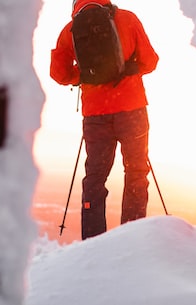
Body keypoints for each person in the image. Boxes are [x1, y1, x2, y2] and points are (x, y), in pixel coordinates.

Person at [50, 0, 159, 239]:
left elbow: (58, 73)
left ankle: (93, 240)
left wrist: (86, 76)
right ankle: (132, 236)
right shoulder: (128, 19)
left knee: (95, 178)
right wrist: (126, 69)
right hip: (132, 109)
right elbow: (150, 61)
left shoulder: (71, 29)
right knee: (136, 172)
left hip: (96, 115)